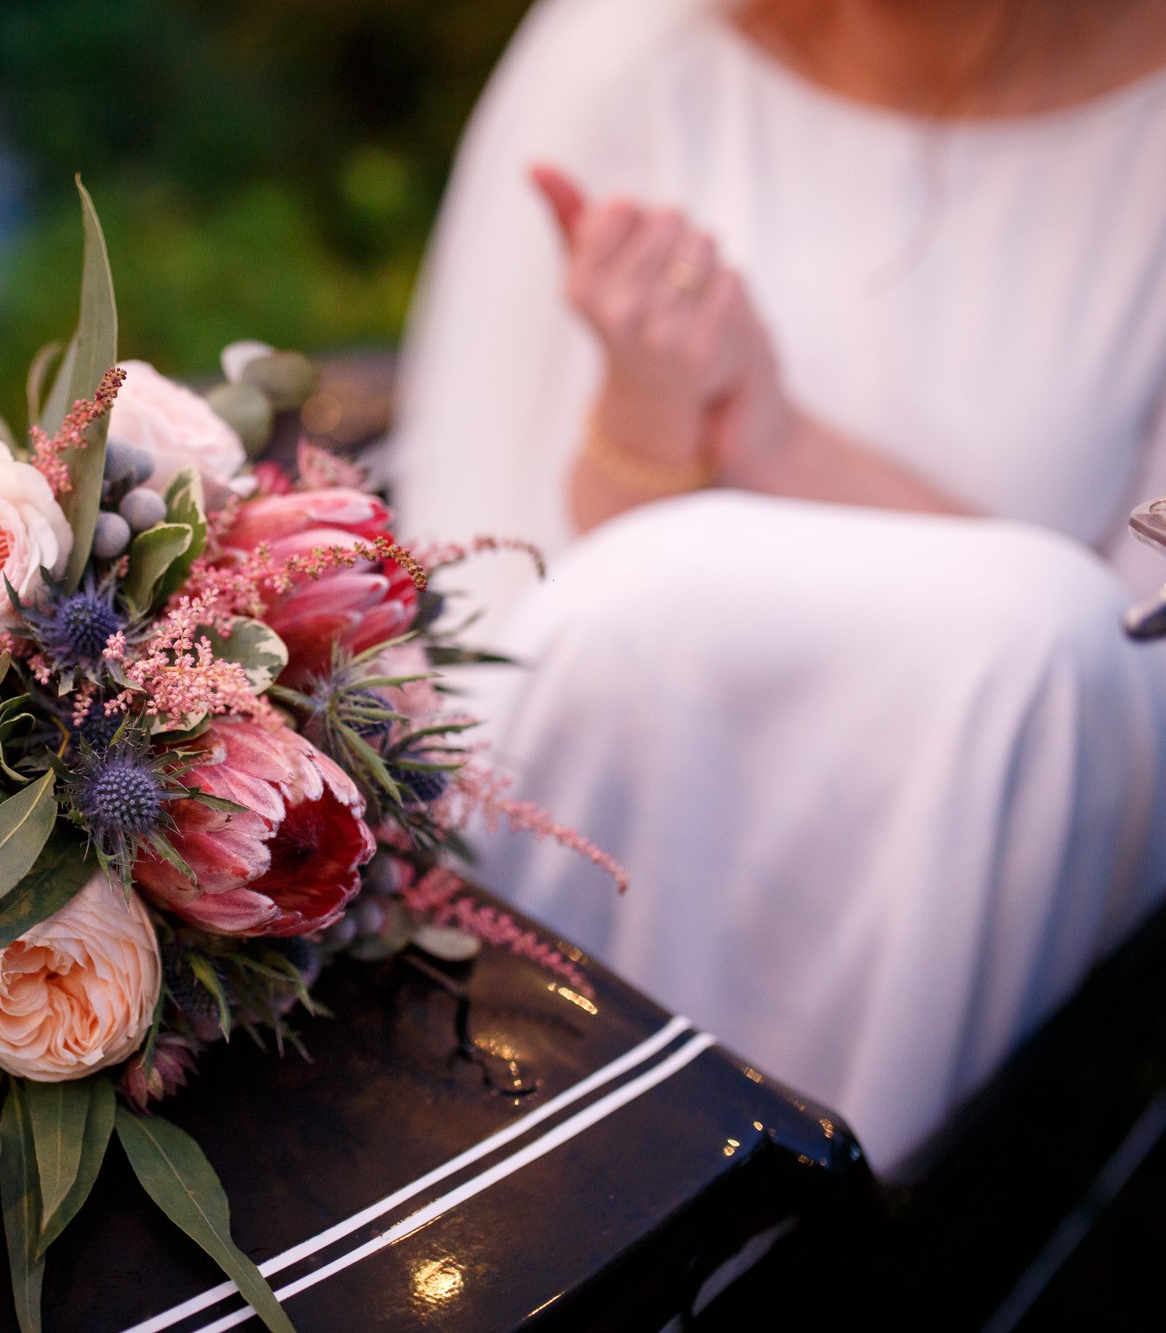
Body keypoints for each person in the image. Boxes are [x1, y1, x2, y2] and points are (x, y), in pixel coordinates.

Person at [391, 0, 1166, 1174]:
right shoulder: (619, 52)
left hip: (995, 901)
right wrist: (651, 418)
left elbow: (1128, 669)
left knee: (1032, 643)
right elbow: (481, 607)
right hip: (619, 844)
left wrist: (773, 440)